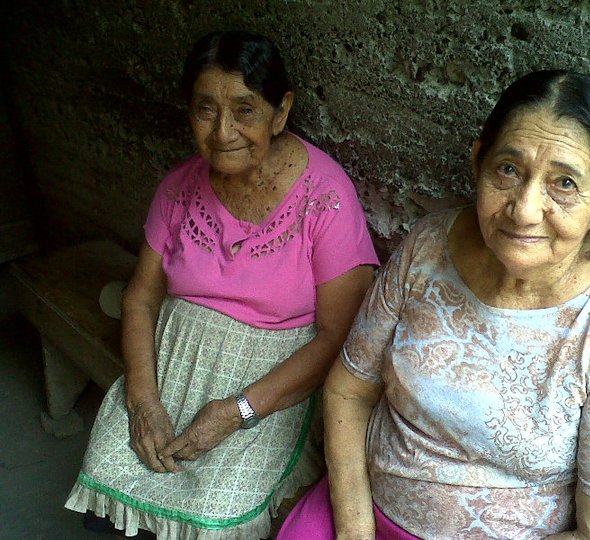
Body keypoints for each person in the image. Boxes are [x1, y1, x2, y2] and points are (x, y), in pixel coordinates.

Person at [277, 70, 590, 539]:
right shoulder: (429, 246)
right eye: (508, 170)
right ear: (478, 162)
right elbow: (350, 389)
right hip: (365, 513)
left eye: (565, 184)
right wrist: (354, 529)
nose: (525, 209)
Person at [65, 30, 378, 539]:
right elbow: (142, 297)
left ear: (281, 112)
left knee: (214, 510)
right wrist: (143, 400)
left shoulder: (326, 197)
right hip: (173, 368)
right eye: (205, 110)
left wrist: (240, 410)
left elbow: (338, 337)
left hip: (273, 388)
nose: (223, 131)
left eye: (245, 111)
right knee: (108, 470)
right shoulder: (178, 187)